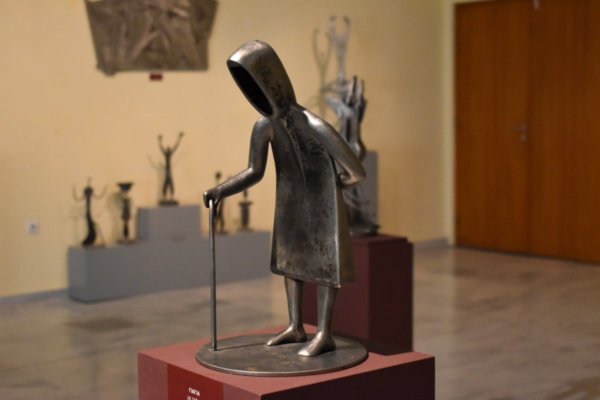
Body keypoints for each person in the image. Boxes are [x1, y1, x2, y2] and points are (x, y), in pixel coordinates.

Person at [203, 40, 365, 357]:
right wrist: (221, 190)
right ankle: (295, 326)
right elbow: (254, 171)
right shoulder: (264, 127)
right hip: (290, 204)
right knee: (291, 262)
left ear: (274, 82)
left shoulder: (314, 125)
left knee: (324, 269)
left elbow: (357, 172)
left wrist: (332, 188)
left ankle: (325, 333)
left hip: (322, 207)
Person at [158, 131, 184, 203]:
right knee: (167, 183)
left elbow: (175, 147)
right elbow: (161, 148)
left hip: (168, 170)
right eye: (168, 149)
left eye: (169, 149)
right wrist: (160, 141)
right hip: (167, 171)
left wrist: (179, 138)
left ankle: (171, 196)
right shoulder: (166, 154)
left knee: (169, 183)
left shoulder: (169, 154)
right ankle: (165, 196)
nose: (168, 150)